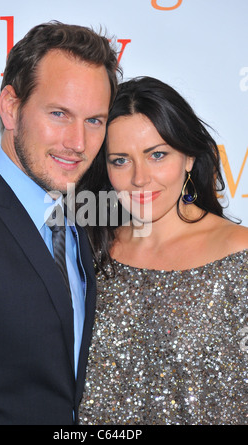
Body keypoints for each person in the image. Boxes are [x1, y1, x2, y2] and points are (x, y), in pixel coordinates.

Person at [0, 21, 120, 425]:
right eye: (59, 113)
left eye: (94, 120)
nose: (78, 143)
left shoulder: (77, 220)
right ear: (11, 107)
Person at [78, 76, 248, 425]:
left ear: (188, 157)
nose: (140, 178)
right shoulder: (90, 251)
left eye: (157, 155)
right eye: (121, 160)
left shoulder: (239, 255)